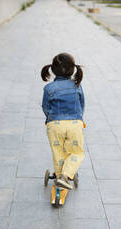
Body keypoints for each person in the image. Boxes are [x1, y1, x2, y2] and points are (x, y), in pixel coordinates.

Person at [41, 53, 85, 190]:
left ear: (52, 70)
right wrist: (79, 118)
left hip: (54, 125)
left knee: (58, 152)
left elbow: (45, 107)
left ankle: (59, 177)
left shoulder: (48, 88)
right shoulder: (76, 85)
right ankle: (65, 176)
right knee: (76, 152)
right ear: (73, 70)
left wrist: (51, 119)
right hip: (74, 124)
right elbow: (82, 104)